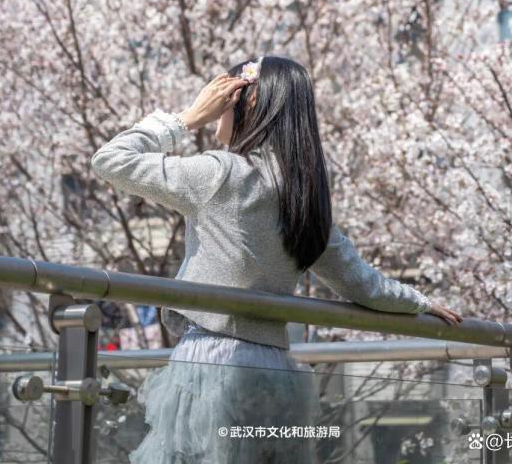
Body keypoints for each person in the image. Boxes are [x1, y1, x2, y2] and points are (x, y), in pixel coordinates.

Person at [91, 54, 462, 462]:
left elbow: (110, 160)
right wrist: (420, 303)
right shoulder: (301, 198)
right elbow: (360, 282)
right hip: (276, 371)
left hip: (212, 363)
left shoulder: (222, 174)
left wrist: (187, 118)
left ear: (248, 103)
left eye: (224, 94)